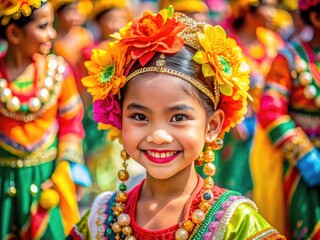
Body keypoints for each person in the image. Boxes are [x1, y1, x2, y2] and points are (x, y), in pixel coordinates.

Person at [67, 6, 286, 239]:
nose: (158, 135)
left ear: (212, 126)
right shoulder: (100, 219)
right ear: (119, 118)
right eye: (140, 117)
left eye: (178, 118)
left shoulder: (237, 223)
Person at [0, 0, 91, 239]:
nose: (52, 33)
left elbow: (71, 124)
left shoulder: (58, 72)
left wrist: (64, 169)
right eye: (43, 26)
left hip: (48, 181)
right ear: (14, 33)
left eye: (51, 25)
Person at [251, 0, 320, 238]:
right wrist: (305, 155)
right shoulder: (290, 58)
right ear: (315, 18)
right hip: (304, 165)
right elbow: (271, 111)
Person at [216, 0, 284, 197]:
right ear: (247, 11)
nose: (273, 13)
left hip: (269, 127)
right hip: (237, 127)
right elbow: (218, 85)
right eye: (267, 7)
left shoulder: (273, 41)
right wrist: (234, 117)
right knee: (236, 181)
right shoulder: (228, 44)